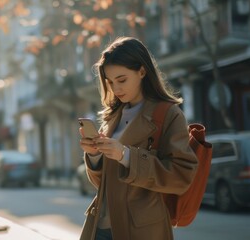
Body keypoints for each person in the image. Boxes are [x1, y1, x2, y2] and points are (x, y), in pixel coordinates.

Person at [78, 36, 198, 240]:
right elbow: (105, 183)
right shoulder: (113, 115)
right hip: (100, 226)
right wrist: (95, 156)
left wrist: (124, 154)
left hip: (140, 229)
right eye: (110, 82)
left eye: (122, 80)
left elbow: (181, 176)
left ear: (142, 71)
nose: (116, 89)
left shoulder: (168, 114)